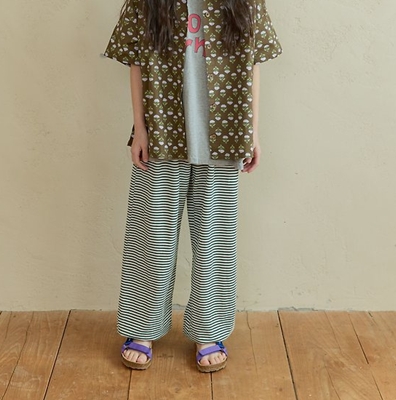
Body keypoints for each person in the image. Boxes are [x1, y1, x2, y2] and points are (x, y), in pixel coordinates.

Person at [103, 0, 282, 373]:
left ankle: (209, 331)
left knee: (214, 242)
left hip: (223, 136)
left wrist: (252, 133)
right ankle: (141, 328)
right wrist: (140, 128)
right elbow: (136, 61)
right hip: (162, 134)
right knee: (151, 238)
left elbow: (253, 63)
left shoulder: (245, 2)